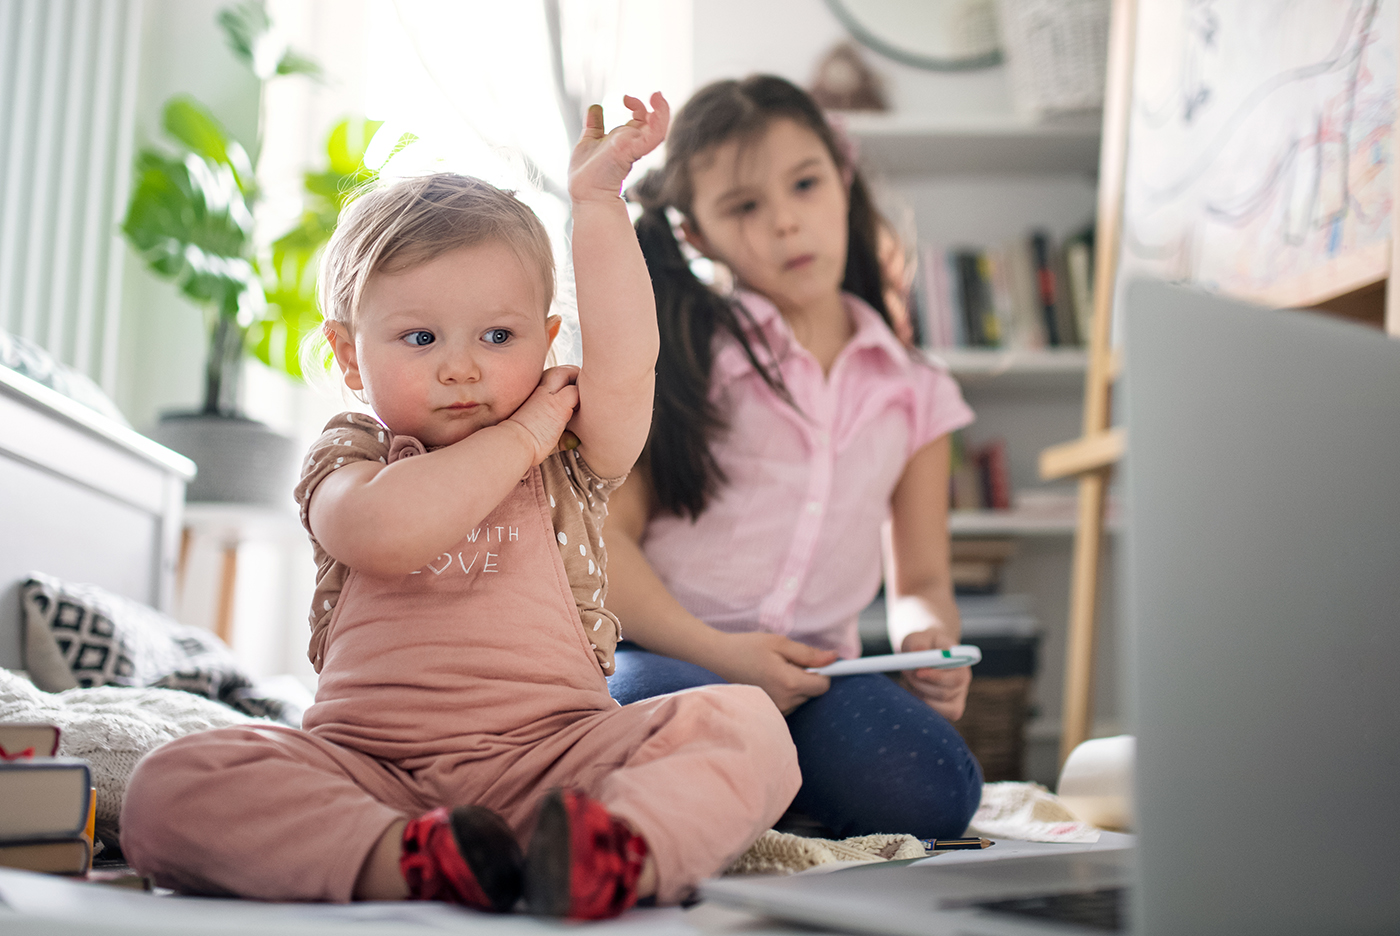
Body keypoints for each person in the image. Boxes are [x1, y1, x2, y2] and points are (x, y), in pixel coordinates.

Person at [120, 94, 801, 919]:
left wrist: (596, 203)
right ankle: (408, 861)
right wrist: (523, 436)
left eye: (498, 337)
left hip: (559, 762)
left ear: (547, 343)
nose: (462, 369)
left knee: (747, 725)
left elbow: (626, 363)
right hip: (368, 772)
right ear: (347, 354)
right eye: (420, 339)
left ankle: (613, 848)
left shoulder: (570, 457)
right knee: (169, 787)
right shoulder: (352, 458)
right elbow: (385, 533)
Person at [607, 75, 983, 840]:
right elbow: (605, 546)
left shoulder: (916, 390)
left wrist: (926, 640)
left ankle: (742, 792)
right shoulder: (678, 355)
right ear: (699, 235)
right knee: (663, 723)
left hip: (819, 679)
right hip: (668, 654)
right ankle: (746, 785)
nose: (785, 222)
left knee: (941, 791)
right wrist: (720, 653)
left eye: (804, 184)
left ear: (842, 182)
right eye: (744, 206)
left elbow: (922, 579)